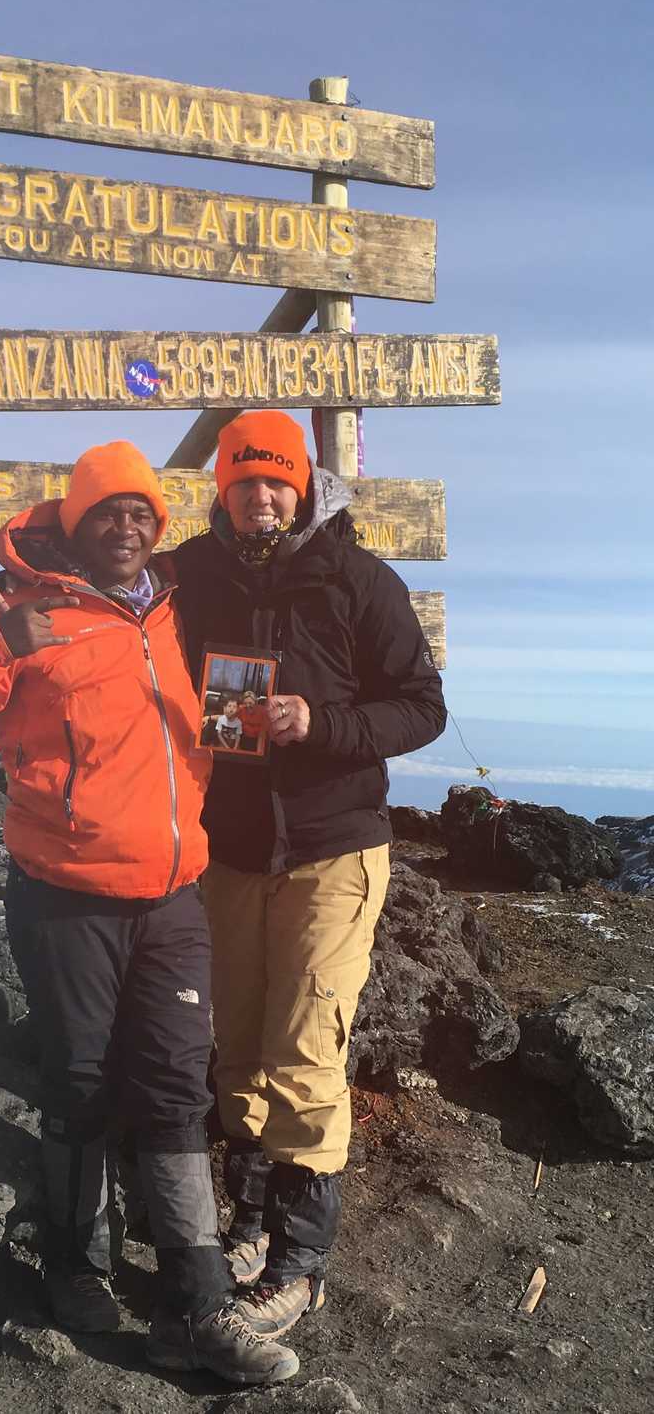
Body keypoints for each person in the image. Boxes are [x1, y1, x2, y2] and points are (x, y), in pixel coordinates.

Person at [0, 442, 298, 1387]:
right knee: (78, 1083)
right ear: (74, 523)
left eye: (141, 514)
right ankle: (75, 1268)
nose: (126, 527)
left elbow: (236, 688)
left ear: (157, 528)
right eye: (106, 513)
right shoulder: (22, 613)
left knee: (175, 1090)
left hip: (173, 897)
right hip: (66, 898)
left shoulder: (177, 605)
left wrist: (282, 723)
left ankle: (197, 1310)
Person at [170, 410, 447, 1335]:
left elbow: (422, 707)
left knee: (305, 1046)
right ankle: (248, 1221)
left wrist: (318, 725)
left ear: (302, 485)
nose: (260, 493)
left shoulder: (357, 577)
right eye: (244, 479)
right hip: (230, 848)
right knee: (237, 1046)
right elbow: (103, 592)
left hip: (333, 846)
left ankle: (300, 1262)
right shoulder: (190, 574)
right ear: (222, 489)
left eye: (275, 479)